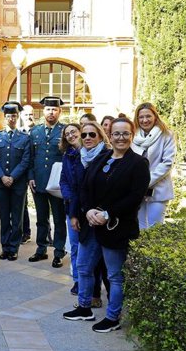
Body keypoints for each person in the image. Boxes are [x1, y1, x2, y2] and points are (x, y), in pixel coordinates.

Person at [63, 117, 150, 332]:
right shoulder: (102, 159)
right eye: (116, 134)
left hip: (116, 226)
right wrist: (89, 210)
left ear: (132, 136)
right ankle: (84, 307)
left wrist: (107, 213)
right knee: (83, 267)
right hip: (92, 224)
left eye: (125, 134)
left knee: (114, 275)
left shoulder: (138, 163)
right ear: (110, 137)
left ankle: (113, 317)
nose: (120, 137)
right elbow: (85, 187)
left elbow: (135, 197)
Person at [60, 121, 111, 306]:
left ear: (100, 136)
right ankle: (87, 299)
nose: (87, 138)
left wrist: (101, 212)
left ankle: (112, 308)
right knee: (84, 261)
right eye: (85, 135)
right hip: (81, 213)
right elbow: (73, 186)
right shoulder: (78, 156)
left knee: (105, 264)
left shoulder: (107, 156)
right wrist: (74, 212)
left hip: (103, 216)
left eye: (91, 134)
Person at [0, 102, 32, 260]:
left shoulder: (24, 138)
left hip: (17, 184)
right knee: (4, 217)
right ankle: (5, 247)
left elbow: (25, 160)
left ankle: (14, 248)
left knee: (17, 218)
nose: (11, 119)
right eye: (8, 116)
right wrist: (2, 177)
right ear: (4, 118)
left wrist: (12, 177)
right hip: (1, 184)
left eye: (14, 116)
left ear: (17, 116)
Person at [28, 96, 67, 267]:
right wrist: (30, 177)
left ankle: (59, 251)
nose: (51, 112)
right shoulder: (35, 132)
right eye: (48, 109)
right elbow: (31, 157)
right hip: (39, 181)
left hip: (57, 183)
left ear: (59, 111)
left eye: (54, 109)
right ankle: (41, 248)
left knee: (58, 218)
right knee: (41, 218)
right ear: (43, 111)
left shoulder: (65, 131)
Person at [132, 103, 176, 229]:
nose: (144, 120)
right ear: (137, 118)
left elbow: (167, 163)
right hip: (137, 191)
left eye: (148, 116)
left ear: (155, 117)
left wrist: (146, 181)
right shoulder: (132, 136)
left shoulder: (166, 135)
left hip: (158, 189)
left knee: (155, 229)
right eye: (141, 117)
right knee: (138, 228)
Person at [59, 123, 82, 287]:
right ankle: (77, 280)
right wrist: (69, 197)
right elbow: (63, 180)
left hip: (87, 207)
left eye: (73, 131)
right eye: (67, 134)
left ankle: (90, 281)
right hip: (71, 206)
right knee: (74, 246)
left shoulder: (90, 154)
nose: (71, 135)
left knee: (86, 246)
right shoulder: (67, 155)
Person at [19, 104, 36, 244]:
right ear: (21, 116)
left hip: (37, 173)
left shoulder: (39, 131)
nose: (28, 117)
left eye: (31, 114)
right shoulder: (19, 133)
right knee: (22, 204)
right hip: (22, 173)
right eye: (26, 114)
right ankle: (25, 232)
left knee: (41, 204)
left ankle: (47, 235)